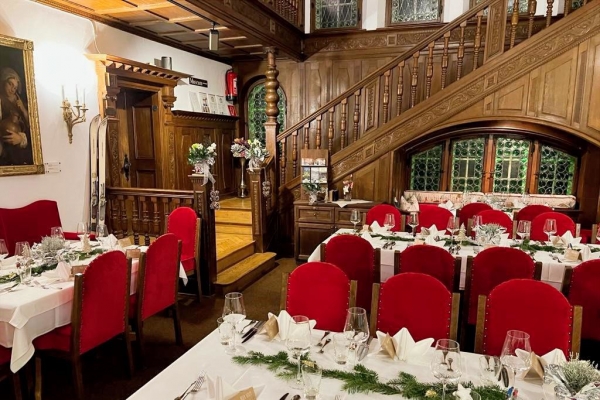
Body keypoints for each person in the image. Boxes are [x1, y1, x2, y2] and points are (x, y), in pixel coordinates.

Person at [0, 67, 32, 166]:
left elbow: (31, 126)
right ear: (4, 82)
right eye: (10, 84)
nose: (12, 89)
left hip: (22, 146)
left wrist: (23, 109)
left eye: (15, 87)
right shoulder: (1, 100)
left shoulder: (19, 101)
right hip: (7, 145)